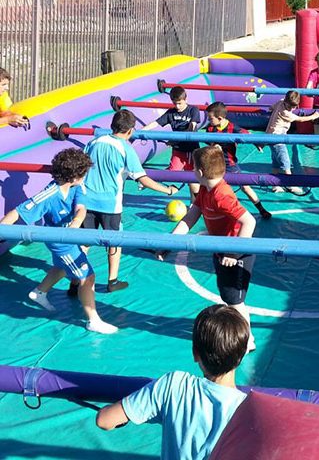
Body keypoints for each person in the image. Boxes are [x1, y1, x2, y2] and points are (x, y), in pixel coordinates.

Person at [96, 304, 248, 459]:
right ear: (242, 355)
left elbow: (105, 420)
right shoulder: (248, 410)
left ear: (195, 353)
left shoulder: (174, 385)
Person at [0, 148, 117, 334]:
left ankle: (39, 292)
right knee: (88, 277)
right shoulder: (49, 195)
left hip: (69, 236)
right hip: (60, 241)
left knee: (62, 268)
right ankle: (93, 320)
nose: (86, 177)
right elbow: (18, 212)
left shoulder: (77, 187)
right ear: (74, 176)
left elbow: (80, 208)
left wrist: (77, 221)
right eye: (84, 174)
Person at [157, 146, 258, 352]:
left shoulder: (222, 195)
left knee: (236, 302)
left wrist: (233, 252)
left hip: (237, 252)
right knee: (229, 297)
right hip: (221, 250)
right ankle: (246, 337)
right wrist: (170, 242)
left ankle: (246, 341)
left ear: (200, 173)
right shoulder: (205, 190)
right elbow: (191, 216)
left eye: (193, 168)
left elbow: (249, 221)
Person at [81, 109, 178, 293]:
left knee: (84, 242)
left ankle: (77, 279)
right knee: (115, 242)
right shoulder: (126, 149)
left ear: (112, 125)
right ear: (130, 130)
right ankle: (112, 281)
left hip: (87, 201)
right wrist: (167, 190)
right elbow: (143, 179)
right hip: (110, 204)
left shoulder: (93, 142)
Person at [205, 101, 271, 220]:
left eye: (211, 119)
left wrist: (257, 143)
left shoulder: (232, 128)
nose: (209, 121)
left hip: (230, 165)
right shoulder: (210, 128)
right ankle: (207, 209)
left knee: (245, 187)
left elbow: (247, 135)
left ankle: (261, 208)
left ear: (220, 118)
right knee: (210, 188)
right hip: (215, 165)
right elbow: (209, 144)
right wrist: (214, 148)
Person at [142, 85, 201, 204]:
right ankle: (147, 180)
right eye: (175, 103)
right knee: (171, 173)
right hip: (178, 150)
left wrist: (174, 140)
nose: (177, 106)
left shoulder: (193, 110)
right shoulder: (171, 113)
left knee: (193, 182)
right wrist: (142, 130)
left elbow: (192, 127)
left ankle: (194, 205)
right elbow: (156, 123)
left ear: (186, 99)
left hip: (191, 150)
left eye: (180, 103)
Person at [263, 90, 319, 195]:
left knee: (276, 163)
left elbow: (271, 107)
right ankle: (290, 185)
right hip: (277, 139)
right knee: (286, 163)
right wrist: (313, 116)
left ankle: (275, 185)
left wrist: (272, 110)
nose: (291, 109)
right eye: (290, 107)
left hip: (270, 137)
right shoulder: (286, 113)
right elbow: (300, 119)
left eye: (293, 107)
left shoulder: (280, 102)